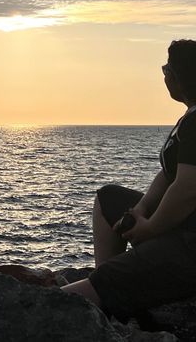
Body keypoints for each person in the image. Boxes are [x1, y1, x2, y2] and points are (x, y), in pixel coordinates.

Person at [61, 40, 196, 320]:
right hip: (182, 227)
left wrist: (150, 228)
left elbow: (187, 188)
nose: (164, 75)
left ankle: (108, 288)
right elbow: (169, 173)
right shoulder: (190, 118)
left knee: (67, 300)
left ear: (181, 76)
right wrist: (142, 209)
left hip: (189, 246)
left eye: (167, 69)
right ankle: (109, 279)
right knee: (109, 198)